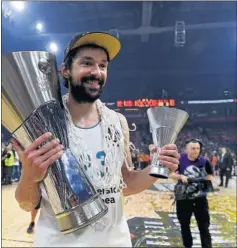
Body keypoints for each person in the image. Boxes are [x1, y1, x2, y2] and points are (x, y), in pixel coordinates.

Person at [13, 31, 180, 247]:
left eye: (103, 66)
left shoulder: (117, 122)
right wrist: (29, 176)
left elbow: (125, 183)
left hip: (114, 241)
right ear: (65, 70)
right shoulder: (42, 123)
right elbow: (27, 204)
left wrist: (160, 166)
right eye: (87, 63)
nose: (96, 72)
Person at [170, 139, 213, 248]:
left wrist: (202, 180)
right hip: (183, 198)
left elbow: (210, 176)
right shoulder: (180, 158)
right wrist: (181, 176)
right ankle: (187, 245)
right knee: (184, 225)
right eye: (193, 148)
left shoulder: (204, 161)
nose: (196, 151)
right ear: (187, 149)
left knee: (204, 227)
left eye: (198, 148)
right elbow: (171, 174)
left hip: (200, 198)